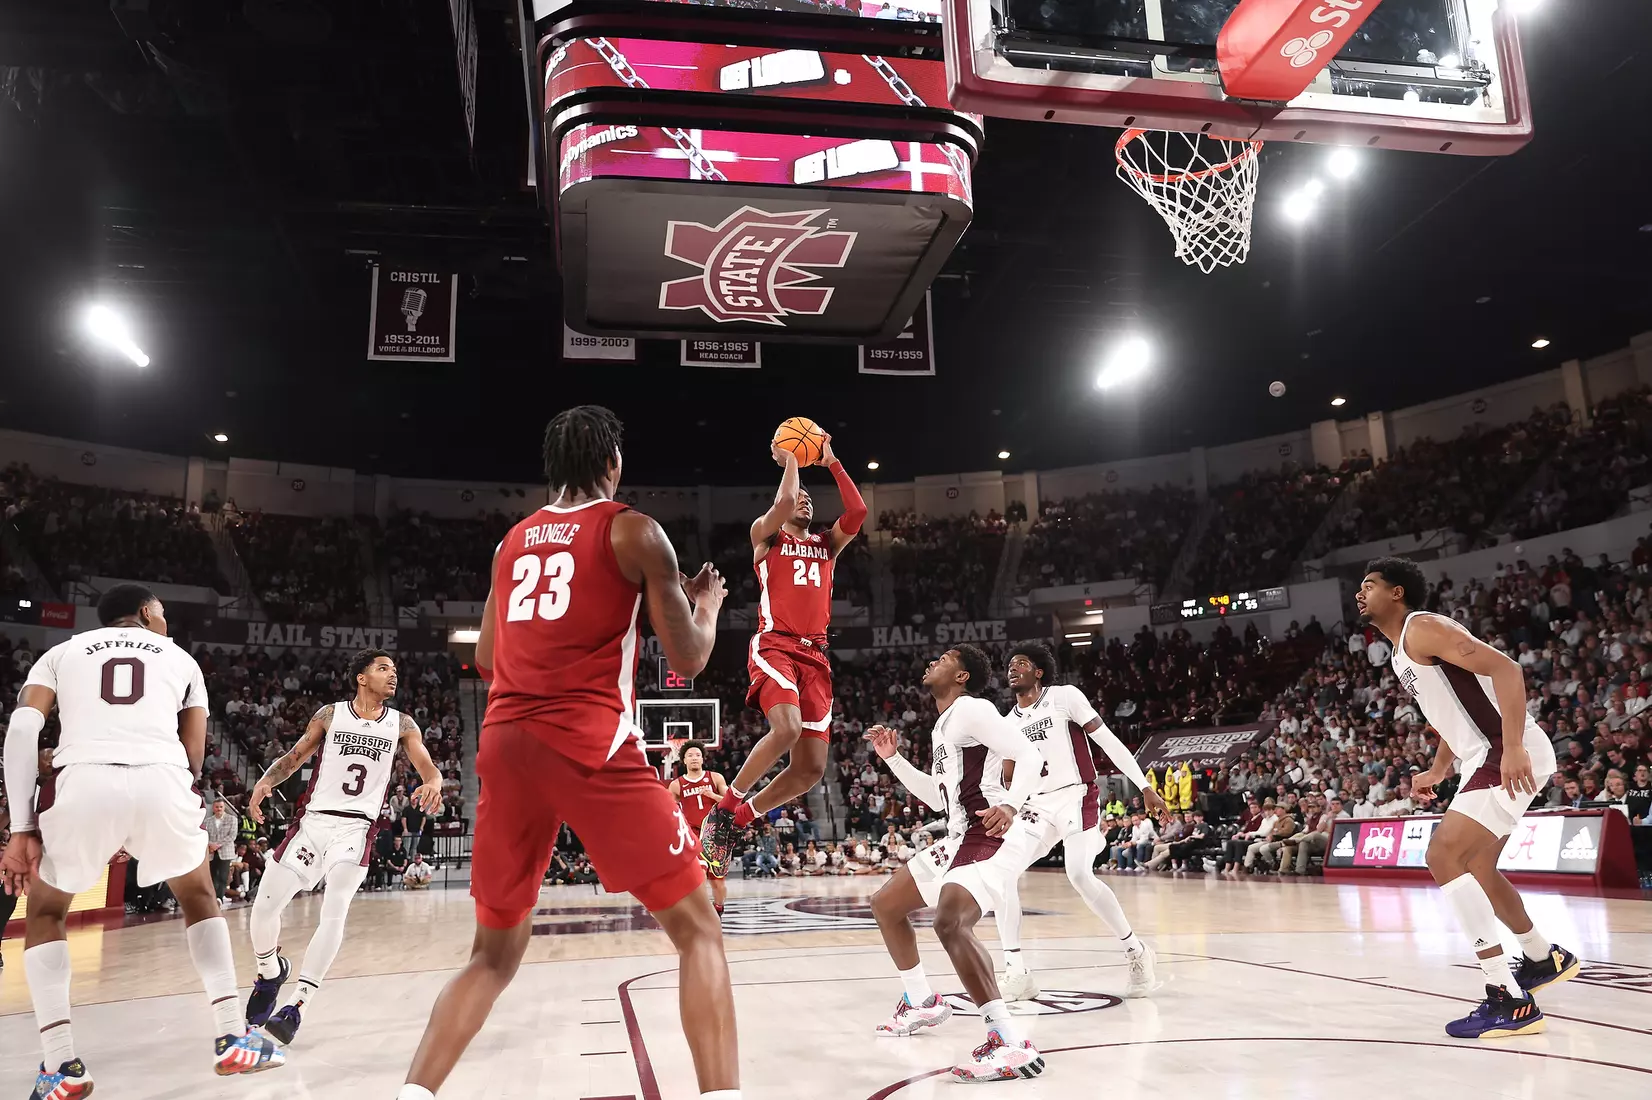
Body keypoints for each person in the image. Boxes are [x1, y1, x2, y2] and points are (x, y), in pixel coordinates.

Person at [397, 406, 739, 1100]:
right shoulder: (634, 530)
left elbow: (490, 656)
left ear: (551, 467)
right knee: (700, 928)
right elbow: (691, 659)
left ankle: (413, 1095)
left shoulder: (510, 542)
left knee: (492, 957)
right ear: (612, 461)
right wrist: (704, 605)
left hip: (503, 741)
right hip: (587, 742)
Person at [0, 584, 285, 1095]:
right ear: (147, 614)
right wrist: (146, 816)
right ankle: (232, 1037)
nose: (166, 622)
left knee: (45, 913)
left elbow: (22, 730)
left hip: (84, 781)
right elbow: (195, 757)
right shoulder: (182, 660)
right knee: (200, 896)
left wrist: (21, 829)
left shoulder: (60, 653)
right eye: (164, 614)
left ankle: (60, 1068)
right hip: (162, 777)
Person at [1358, 557, 1579, 1039]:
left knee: (1442, 854)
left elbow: (1508, 669)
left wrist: (1515, 746)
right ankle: (1542, 957)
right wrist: (1439, 768)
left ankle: (1507, 997)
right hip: (1484, 753)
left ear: (1397, 593)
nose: (1360, 593)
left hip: (1502, 750)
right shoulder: (1402, 650)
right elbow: (1454, 710)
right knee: (1476, 866)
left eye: (1369, 585)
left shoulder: (1423, 628)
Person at [865, 645, 1048, 1083]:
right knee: (886, 905)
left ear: (962, 676)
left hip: (991, 830)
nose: (933, 661)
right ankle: (922, 1001)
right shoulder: (944, 724)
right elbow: (939, 798)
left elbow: (1030, 755)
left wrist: (1010, 803)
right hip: (959, 834)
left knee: (949, 923)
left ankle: (1008, 1042)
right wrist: (893, 759)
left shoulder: (972, 709)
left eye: (945, 658)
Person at [243, 648, 444, 1046]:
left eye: (395, 669)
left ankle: (297, 1005)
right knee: (263, 909)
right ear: (361, 677)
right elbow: (296, 755)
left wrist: (434, 782)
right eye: (384, 668)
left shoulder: (402, 724)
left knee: (334, 911)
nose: (393, 675)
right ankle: (270, 971)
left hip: (356, 829)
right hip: (313, 822)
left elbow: (427, 766)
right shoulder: (330, 714)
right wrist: (267, 780)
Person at [700, 432, 867, 870]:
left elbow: (858, 511)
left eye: (811, 500)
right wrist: (792, 458)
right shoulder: (766, 537)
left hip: (817, 657)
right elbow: (783, 501)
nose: (805, 502)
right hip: (776, 644)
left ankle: (740, 816)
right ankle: (723, 807)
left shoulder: (826, 545)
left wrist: (830, 460)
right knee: (788, 728)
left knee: (811, 769)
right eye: (800, 498)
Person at [991, 643, 1161, 1002]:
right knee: (1000, 872)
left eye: (1021, 663)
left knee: (1080, 875)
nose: (1012, 668)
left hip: (1076, 797)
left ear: (1038, 672)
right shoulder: (1006, 724)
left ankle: (1136, 951)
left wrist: (1144, 784)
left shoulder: (1064, 697)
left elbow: (1108, 741)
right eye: (1009, 665)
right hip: (1036, 806)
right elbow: (1006, 776)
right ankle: (1017, 971)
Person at [670, 740, 730, 915]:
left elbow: (733, 802)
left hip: (716, 834)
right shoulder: (676, 785)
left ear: (703, 759)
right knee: (699, 876)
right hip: (694, 834)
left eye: (697, 755)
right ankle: (702, 913)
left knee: (718, 883)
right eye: (690, 755)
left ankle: (718, 909)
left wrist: (713, 795)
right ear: (684, 760)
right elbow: (666, 811)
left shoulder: (715, 778)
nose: (694, 758)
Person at [204, 797, 238, 903]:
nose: (219, 809)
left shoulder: (232, 819)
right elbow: (204, 835)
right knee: (212, 875)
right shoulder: (207, 821)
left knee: (223, 875)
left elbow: (232, 836)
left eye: (221, 807)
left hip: (225, 851)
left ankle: (220, 897)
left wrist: (218, 845)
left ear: (224, 808)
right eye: (217, 807)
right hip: (211, 852)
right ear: (213, 808)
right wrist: (210, 845)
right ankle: (212, 897)